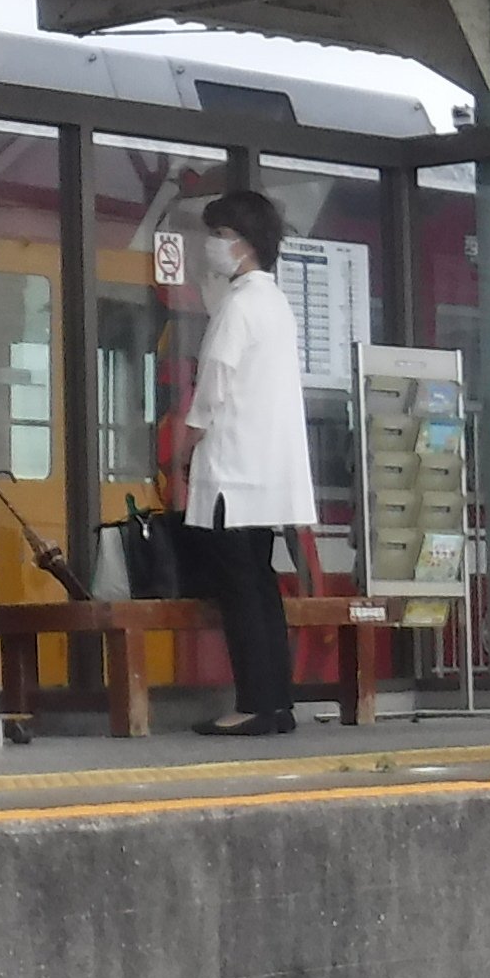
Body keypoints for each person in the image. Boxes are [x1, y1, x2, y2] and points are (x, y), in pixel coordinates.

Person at [164, 186, 315, 735]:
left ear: (244, 244)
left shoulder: (238, 306)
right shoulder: (275, 304)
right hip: (266, 475)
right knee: (262, 588)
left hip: (231, 471)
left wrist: (184, 446)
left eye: (221, 235)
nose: (213, 245)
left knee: (239, 594)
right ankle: (276, 702)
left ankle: (251, 703)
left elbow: (213, 387)